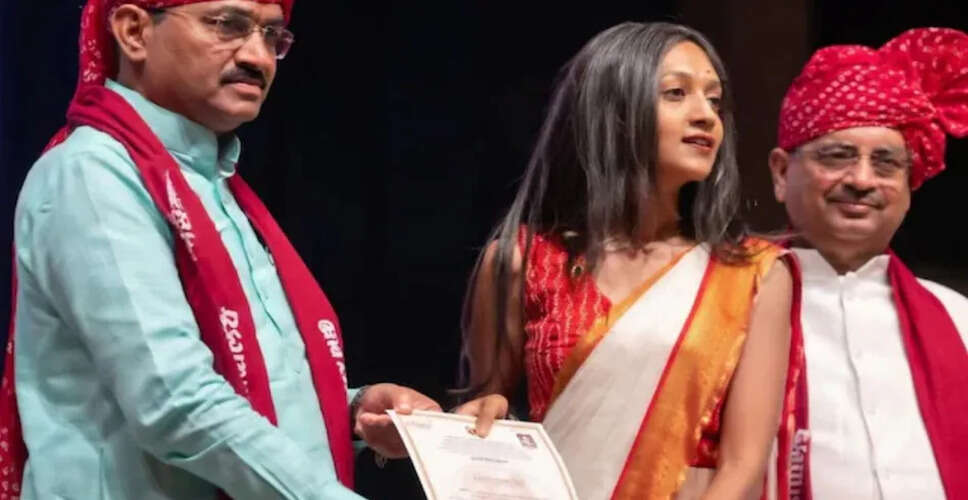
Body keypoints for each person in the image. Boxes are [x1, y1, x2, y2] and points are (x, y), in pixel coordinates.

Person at [2, 1, 442, 498]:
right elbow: (175, 403)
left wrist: (350, 411)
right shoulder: (94, 174)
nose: (258, 56)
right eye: (228, 25)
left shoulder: (214, 185)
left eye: (273, 35)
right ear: (133, 32)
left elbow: (248, 383)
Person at [455, 22, 793, 499]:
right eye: (677, 93)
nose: (706, 116)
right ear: (612, 113)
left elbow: (743, 464)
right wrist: (483, 416)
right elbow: (485, 407)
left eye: (714, 101)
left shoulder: (752, 274)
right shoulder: (522, 260)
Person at [765, 27, 968, 500]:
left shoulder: (958, 318)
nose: (861, 179)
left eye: (886, 164)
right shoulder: (729, 308)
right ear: (780, 172)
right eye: (837, 156)